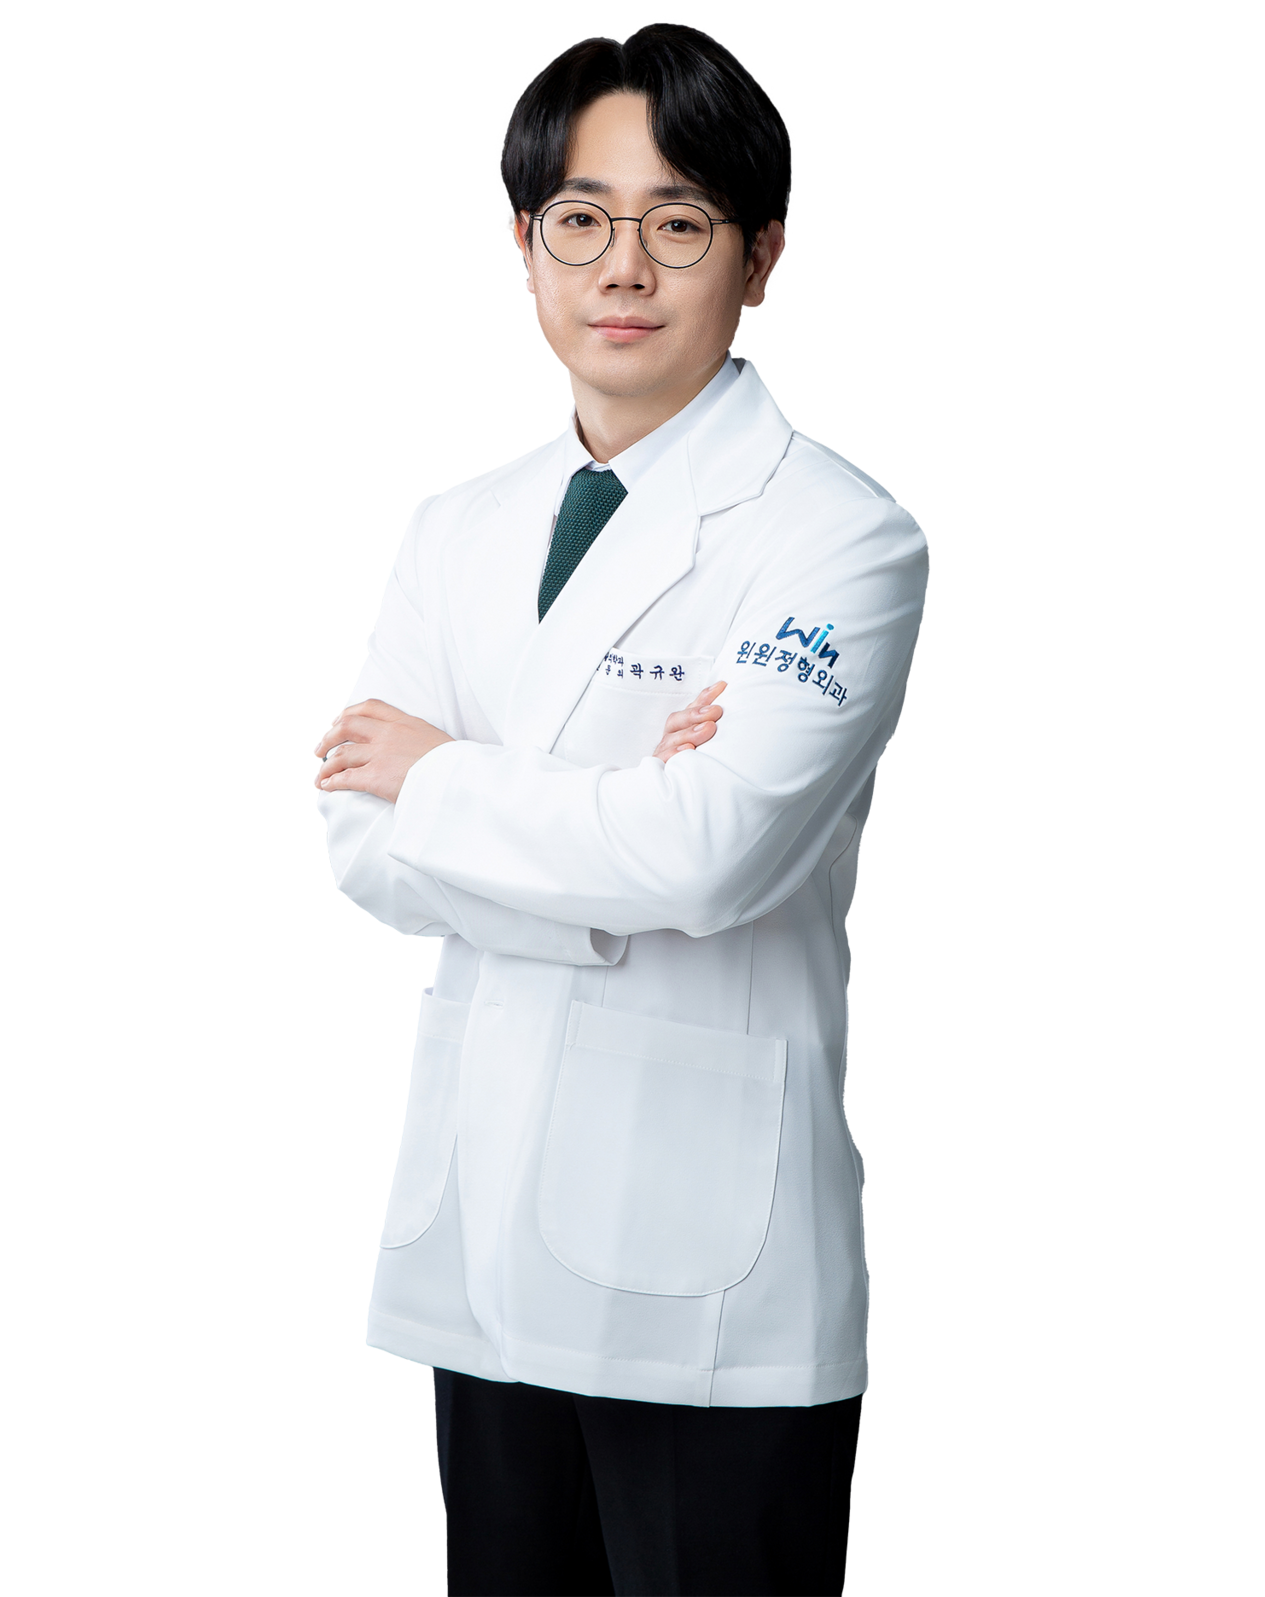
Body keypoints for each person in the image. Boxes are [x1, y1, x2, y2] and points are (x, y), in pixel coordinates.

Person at [311, 19, 930, 1595]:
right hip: (479, 1224)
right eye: (581, 221)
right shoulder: (454, 525)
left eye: (681, 224)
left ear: (764, 262)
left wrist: (445, 776)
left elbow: (710, 858)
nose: (624, 269)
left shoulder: (841, 537)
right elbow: (360, 848)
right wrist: (614, 815)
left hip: (705, 1259)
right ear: (523, 250)